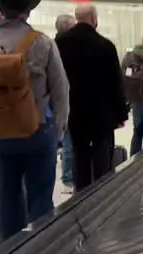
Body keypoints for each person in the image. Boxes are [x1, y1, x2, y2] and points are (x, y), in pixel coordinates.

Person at [0, 0, 69, 240]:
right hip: (38, 130)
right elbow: (60, 90)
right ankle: (40, 249)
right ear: (28, 10)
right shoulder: (42, 42)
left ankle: (11, 252)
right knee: (40, 196)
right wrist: (59, 130)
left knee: (6, 194)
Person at [54, 3, 124, 191]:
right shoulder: (105, 45)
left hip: (74, 110)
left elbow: (55, 80)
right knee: (102, 155)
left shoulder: (60, 44)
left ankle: (81, 192)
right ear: (94, 19)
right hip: (102, 113)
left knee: (80, 154)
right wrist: (120, 114)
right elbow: (115, 83)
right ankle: (102, 191)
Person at [54, 12, 76, 191]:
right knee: (69, 141)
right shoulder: (67, 47)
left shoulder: (53, 45)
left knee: (66, 139)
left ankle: (68, 175)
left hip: (57, 100)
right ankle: (68, 176)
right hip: (67, 100)